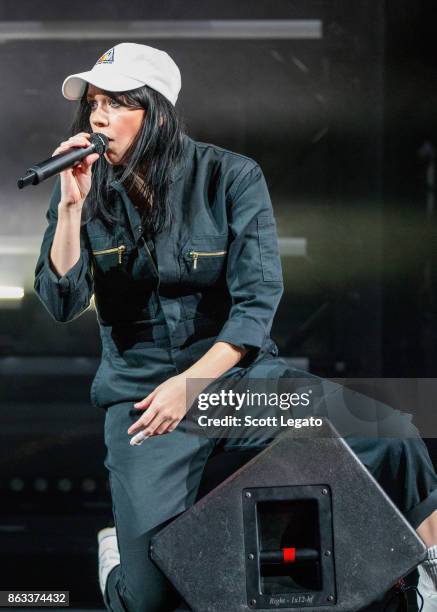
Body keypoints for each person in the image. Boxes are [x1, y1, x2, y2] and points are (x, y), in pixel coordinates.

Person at [33, 42, 437, 612]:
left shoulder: (230, 175)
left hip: (235, 385)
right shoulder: (82, 184)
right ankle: (117, 556)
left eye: (118, 102)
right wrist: (71, 207)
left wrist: (193, 385)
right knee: (147, 601)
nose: (98, 117)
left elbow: (256, 304)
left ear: (157, 113)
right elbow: (60, 299)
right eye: (94, 102)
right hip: (144, 401)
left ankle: (431, 570)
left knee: (392, 433)